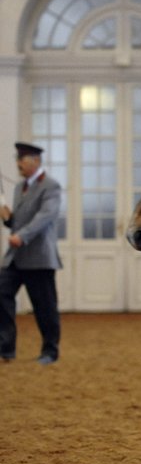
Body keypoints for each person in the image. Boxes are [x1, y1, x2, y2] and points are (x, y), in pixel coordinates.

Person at [0, 142, 62, 365]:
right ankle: (5, 348)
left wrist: (21, 236)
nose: (18, 165)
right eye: (18, 160)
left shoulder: (51, 186)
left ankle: (50, 351)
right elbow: (16, 221)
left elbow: (44, 218)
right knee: (2, 294)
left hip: (39, 258)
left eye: (22, 161)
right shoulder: (19, 188)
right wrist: (6, 215)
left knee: (44, 307)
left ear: (36, 161)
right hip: (15, 257)